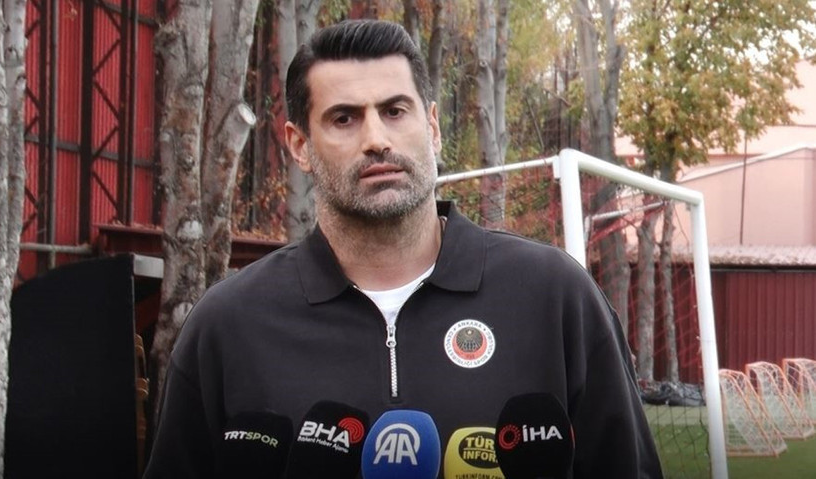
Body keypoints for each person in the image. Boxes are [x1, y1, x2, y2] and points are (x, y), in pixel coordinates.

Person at [144, 19, 664, 478]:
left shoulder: (555, 296)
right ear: (299, 146)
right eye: (344, 118)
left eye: (395, 111)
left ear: (432, 127)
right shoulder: (228, 324)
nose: (376, 139)